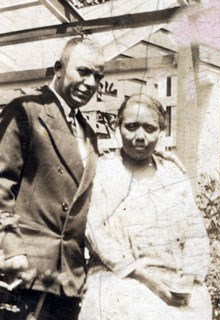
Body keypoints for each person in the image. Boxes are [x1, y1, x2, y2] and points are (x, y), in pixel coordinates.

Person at [79, 94, 212, 320]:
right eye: (131, 127)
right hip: (121, 278)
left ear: (161, 130)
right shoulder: (103, 171)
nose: (140, 136)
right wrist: (150, 282)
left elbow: (195, 232)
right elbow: (96, 232)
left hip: (172, 281)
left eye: (149, 128)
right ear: (117, 127)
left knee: (197, 303)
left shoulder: (173, 173)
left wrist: (188, 279)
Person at [0, 37, 105, 319]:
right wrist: (10, 248)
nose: (91, 83)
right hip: (25, 271)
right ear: (59, 69)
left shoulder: (89, 133)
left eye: (98, 76)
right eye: (83, 71)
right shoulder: (26, 110)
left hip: (68, 280)